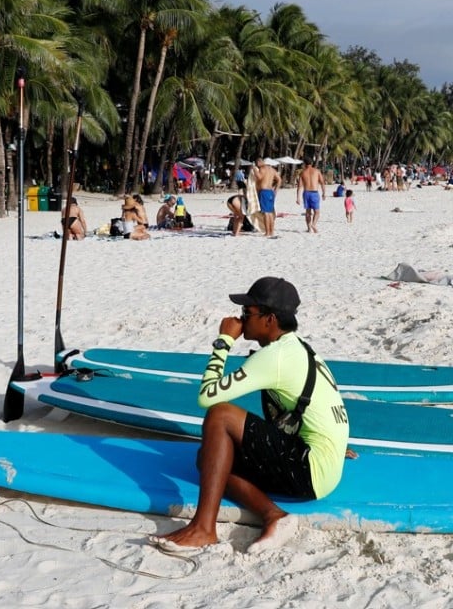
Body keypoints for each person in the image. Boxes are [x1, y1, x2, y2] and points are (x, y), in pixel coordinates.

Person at [148, 277, 350, 553]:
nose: (240, 319)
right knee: (208, 460)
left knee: (220, 415)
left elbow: (207, 396)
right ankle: (274, 515)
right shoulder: (298, 347)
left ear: (270, 319)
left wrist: (223, 341)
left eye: (247, 312)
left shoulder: (274, 357)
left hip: (309, 471)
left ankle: (203, 528)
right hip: (325, 468)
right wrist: (335, 444)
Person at [296, 159, 327, 233]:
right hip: (314, 193)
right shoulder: (317, 171)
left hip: (306, 193)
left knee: (308, 212)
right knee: (317, 212)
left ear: (304, 163)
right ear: (312, 163)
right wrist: (324, 193)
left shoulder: (302, 172)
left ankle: (309, 228)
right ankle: (313, 224)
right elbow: (322, 183)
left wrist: (298, 198)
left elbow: (299, 186)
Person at [254, 158, 282, 237]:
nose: (257, 166)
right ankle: (271, 231)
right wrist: (276, 190)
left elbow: (259, 177)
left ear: (260, 162)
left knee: (266, 213)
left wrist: (254, 170)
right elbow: (279, 180)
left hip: (264, 191)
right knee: (270, 213)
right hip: (270, 192)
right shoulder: (272, 169)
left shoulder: (262, 169)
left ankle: (267, 232)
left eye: (257, 164)